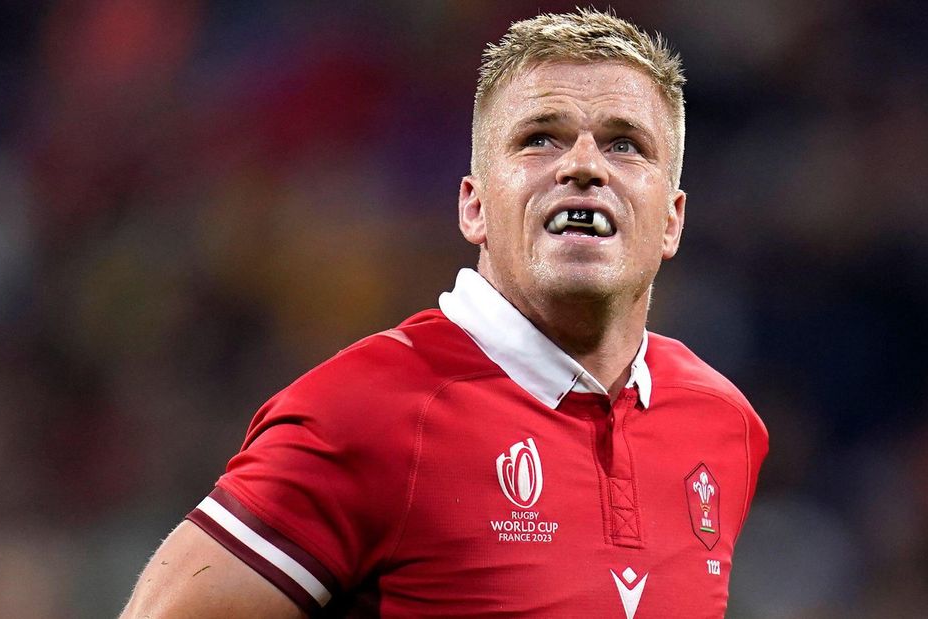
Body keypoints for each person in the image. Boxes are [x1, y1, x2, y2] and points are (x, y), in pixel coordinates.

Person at [121, 9, 768, 618]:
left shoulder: (723, 424)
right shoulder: (367, 410)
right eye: (540, 138)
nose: (583, 166)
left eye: (624, 145)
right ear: (474, 208)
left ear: (672, 221)